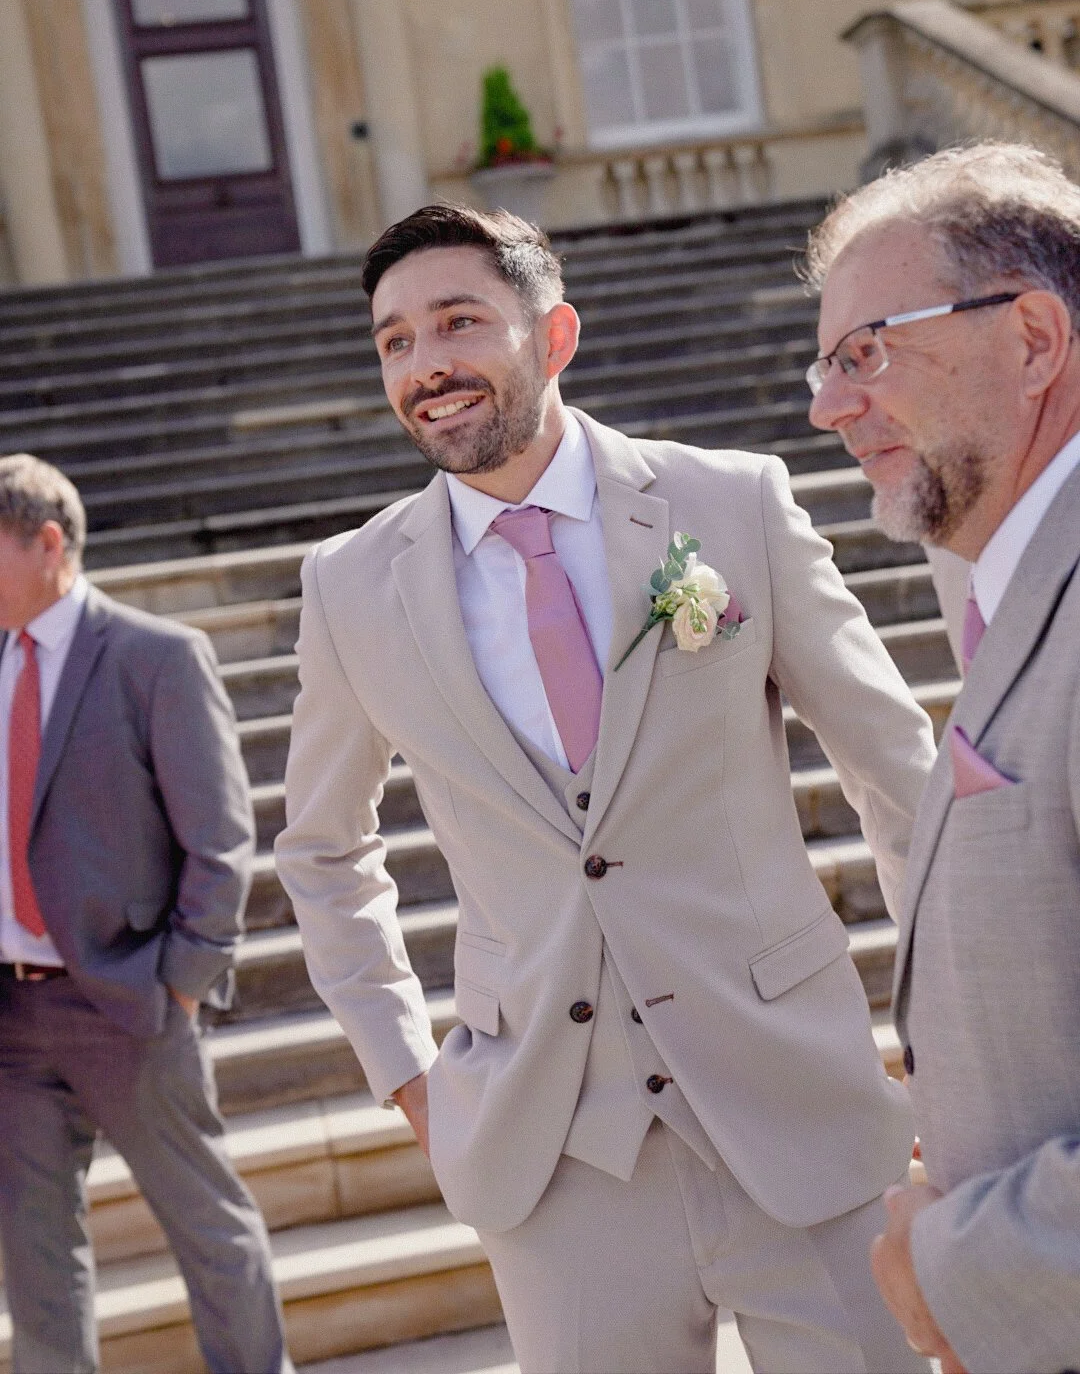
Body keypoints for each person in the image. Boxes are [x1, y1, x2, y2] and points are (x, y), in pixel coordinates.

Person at [275, 203, 936, 1374]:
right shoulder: (351, 586)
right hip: (552, 1156)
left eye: (458, 323)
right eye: (393, 341)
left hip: (798, 1106)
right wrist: (411, 1075)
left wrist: (948, 1028)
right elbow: (324, 850)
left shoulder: (731, 503)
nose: (426, 365)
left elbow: (894, 768)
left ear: (556, 333)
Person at [806, 141, 1080, 1374]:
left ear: (1034, 337)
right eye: (823, 363)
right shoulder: (1013, 593)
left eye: (868, 351)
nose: (827, 405)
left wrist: (958, 1264)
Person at [0, 454, 291, 1374]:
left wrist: (183, 983)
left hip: (128, 1004)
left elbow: (220, 836)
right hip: (10, 1021)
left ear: (48, 544)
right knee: (36, 1260)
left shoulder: (155, 657)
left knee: (210, 1231)